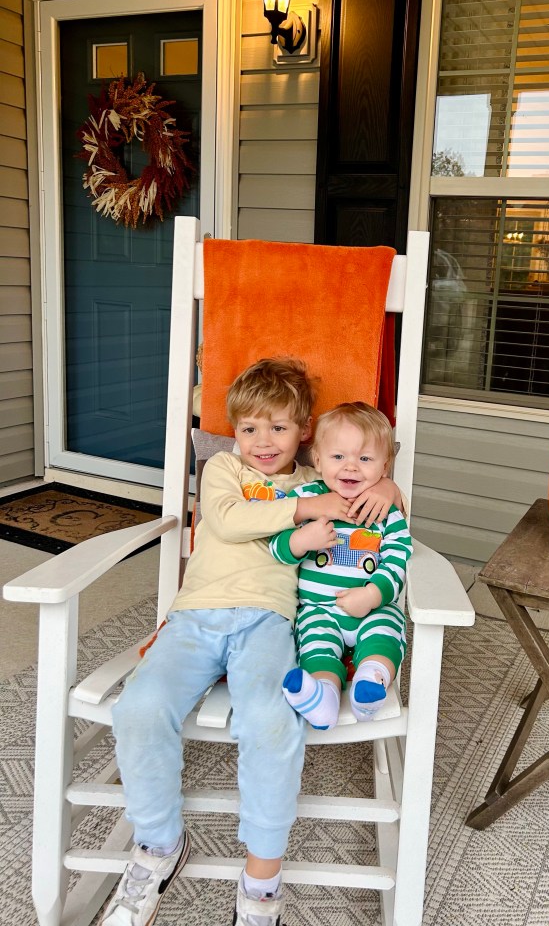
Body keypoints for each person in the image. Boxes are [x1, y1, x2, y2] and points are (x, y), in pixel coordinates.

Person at [100, 359, 401, 926]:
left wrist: (387, 485)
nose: (263, 442)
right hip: (195, 615)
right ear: (234, 431)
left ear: (305, 433)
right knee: (138, 707)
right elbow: (228, 520)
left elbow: (364, 482)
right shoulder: (225, 468)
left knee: (270, 720)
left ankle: (262, 882)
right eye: (249, 428)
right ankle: (159, 845)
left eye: (279, 428)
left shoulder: (319, 478)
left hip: (269, 620)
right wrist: (306, 510)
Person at [270, 402, 412, 731]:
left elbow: (398, 555)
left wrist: (374, 594)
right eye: (338, 457)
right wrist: (301, 540)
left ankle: (371, 680)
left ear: (384, 466)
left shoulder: (385, 510)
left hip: (374, 607)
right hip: (318, 609)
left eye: (365, 459)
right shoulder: (306, 499)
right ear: (318, 460)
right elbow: (276, 546)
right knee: (315, 646)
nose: (351, 467)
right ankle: (323, 695)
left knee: (385, 633)